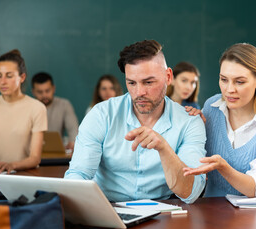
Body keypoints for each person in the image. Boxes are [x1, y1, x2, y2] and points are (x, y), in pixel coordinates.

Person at [64, 40, 206, 204]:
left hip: (163, 213)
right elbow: (79, 174)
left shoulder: (190, 122)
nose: (139, 93)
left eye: (148, 82)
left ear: (168, 77)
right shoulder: (101, 115)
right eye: (131, 83)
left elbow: (191, 192)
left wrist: (163, 148)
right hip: (108, 208)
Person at [183, 43, 256, 198]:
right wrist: (193, 126)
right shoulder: (211, 107)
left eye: (239, 82)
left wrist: (224, 167)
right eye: (224, 79)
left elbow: (255, 188)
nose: (229, 89)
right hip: (213, 210)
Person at [0, 49, 47, 173]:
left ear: (22, 77)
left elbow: (35, 158)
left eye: (9, 76)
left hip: (24, 173)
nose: (2, 81)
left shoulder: (37, 107)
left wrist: (11, 165)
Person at [32, 72, 79, 151]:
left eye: (47, 91)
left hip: (57, 154)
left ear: (53, 88)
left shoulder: (64, 105)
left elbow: (73, 129)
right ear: (33, 92)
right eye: (40, 92)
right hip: (32, 152)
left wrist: (73, 142)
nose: (44, 95)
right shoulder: (28, 107)